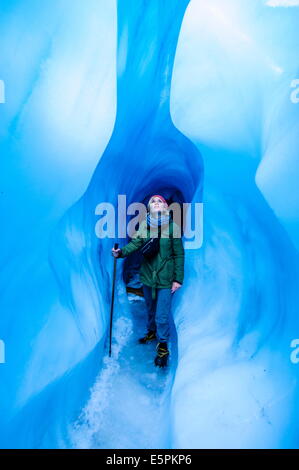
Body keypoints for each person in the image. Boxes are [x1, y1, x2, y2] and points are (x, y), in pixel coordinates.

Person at [111, 194, 184, 368]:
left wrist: (177, 279)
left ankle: (163, 345)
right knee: (150, 308)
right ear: (149, 208)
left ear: (165, 206)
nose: (157, 203)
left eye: (160, 201)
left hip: (166, 278)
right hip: (147, 276)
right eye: (153, 202)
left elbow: (179, 254)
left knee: (161, 314)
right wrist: (120, 253)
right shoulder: (145, 225)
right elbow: (135, 244)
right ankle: (151, 332)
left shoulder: (173, 227)